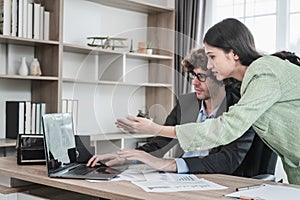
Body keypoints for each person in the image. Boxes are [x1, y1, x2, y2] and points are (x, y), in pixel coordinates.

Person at [115, 18, 300, 185]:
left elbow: (227, 128)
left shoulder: (264, 73)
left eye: (212, 56)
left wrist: (156, 129)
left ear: (233, 53)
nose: (210, 65)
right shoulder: (250, 83)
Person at [88, 49, 275, 177]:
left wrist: (171, 165)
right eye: (193, 76)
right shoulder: (186, 103)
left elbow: (228, 160)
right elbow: (160, 143)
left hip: (222, 185)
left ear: (222, 78)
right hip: (182, 181)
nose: (194, 83)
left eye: (201, 77)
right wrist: (125, 157)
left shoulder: (241, 108)